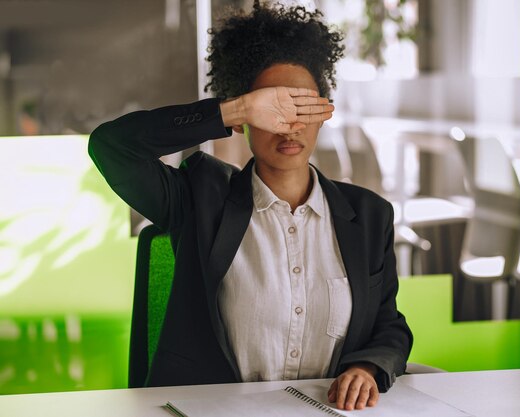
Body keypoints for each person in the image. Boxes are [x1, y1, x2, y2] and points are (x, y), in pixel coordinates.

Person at [89, 1, 412, 411]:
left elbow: (389, 325)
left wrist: (367, 367)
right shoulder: (200, 199)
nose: (289, 124)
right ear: (245, 118)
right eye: (273, 108)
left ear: (324, 112)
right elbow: (110, 147)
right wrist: (235, 108)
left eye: (302, 106)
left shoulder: (369, 216)